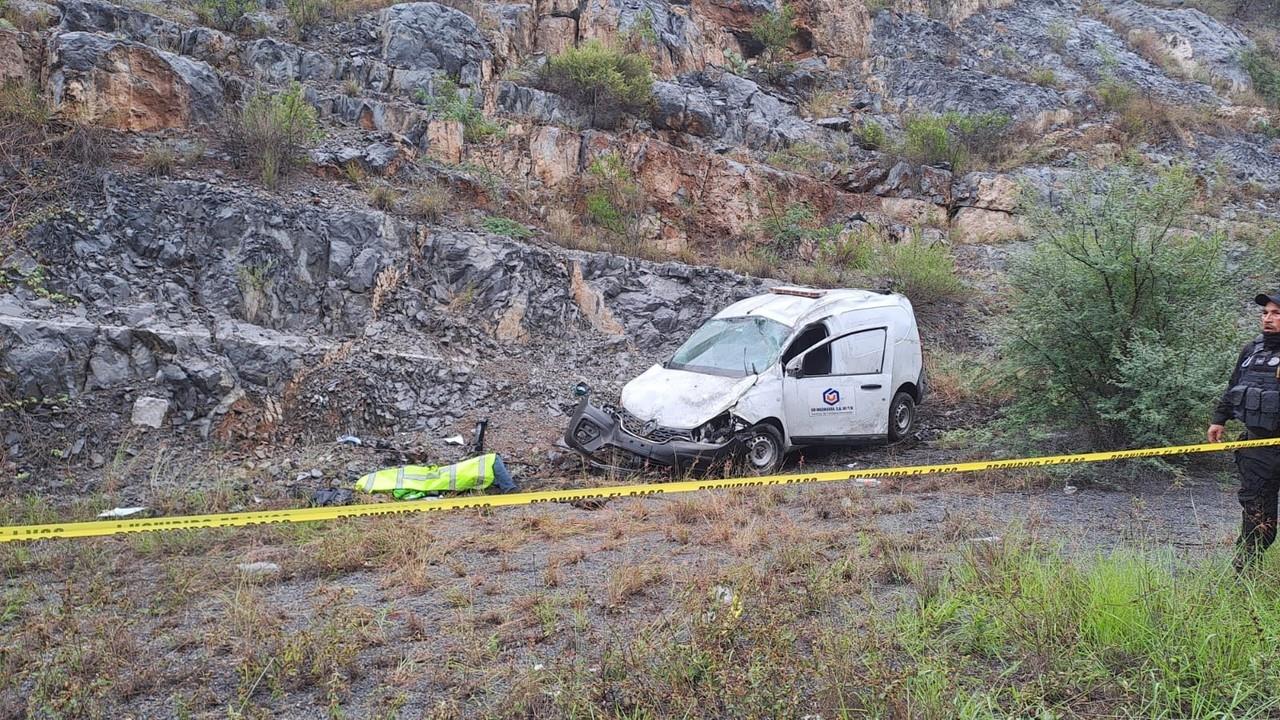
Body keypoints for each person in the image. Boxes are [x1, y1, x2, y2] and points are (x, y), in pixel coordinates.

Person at [1208, 292, 1280, 571]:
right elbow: (1234, 386)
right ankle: (1245, 577)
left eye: (1276, 313)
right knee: (1257, 517)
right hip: (1258, 447)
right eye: (1265, 313)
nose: (1268, 319)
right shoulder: (1252, 350)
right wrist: (1219, 419)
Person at [354, 452, 519, 500]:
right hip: (444, 477)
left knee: (488, 462)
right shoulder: (397, 485)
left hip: (440, 475)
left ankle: (503, 485)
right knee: (491, 459)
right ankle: (508, 488)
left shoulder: (395, 483)